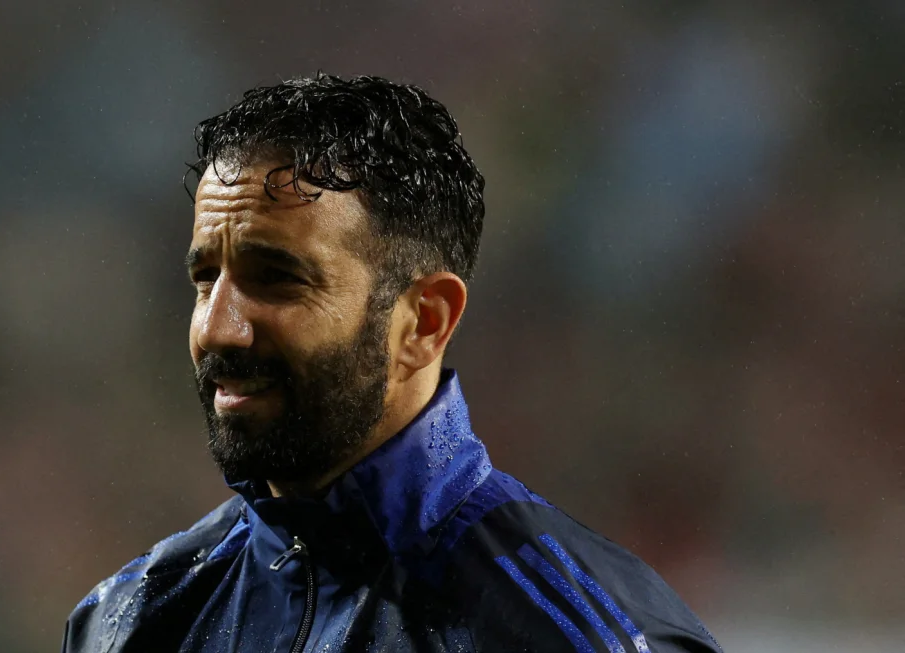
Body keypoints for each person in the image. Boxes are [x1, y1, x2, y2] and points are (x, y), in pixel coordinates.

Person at [61, 74, 723, 653]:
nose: (217, 328)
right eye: (207, 279)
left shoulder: (568, 635)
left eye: (277, 279)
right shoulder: (130, 621)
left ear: (424, 321)